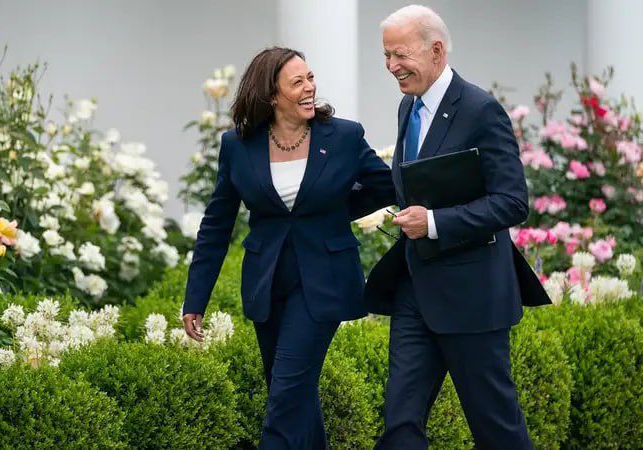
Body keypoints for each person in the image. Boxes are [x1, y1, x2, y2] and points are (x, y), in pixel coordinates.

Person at [182, 47, 395, 449]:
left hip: (324, 282)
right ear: (271, 95)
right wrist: (195, 299)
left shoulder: (344, 136)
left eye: (310, 78)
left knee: (285, 394)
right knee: (294, 394)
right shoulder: (238, 145)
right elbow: (216, 225)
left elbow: (387, 186)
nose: (310, 87)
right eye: (297, 82)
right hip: (267, 283)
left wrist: (337, 211)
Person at [365, 5, 550, 449]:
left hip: (473, 297)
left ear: (436, 50)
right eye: (386, 55)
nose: (391, 66)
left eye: (401, 55)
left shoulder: (481, 110)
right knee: (400, 425)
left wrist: (433, 222)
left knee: (497, 431)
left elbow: (512, 201)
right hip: (415, 291)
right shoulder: (408, 106)